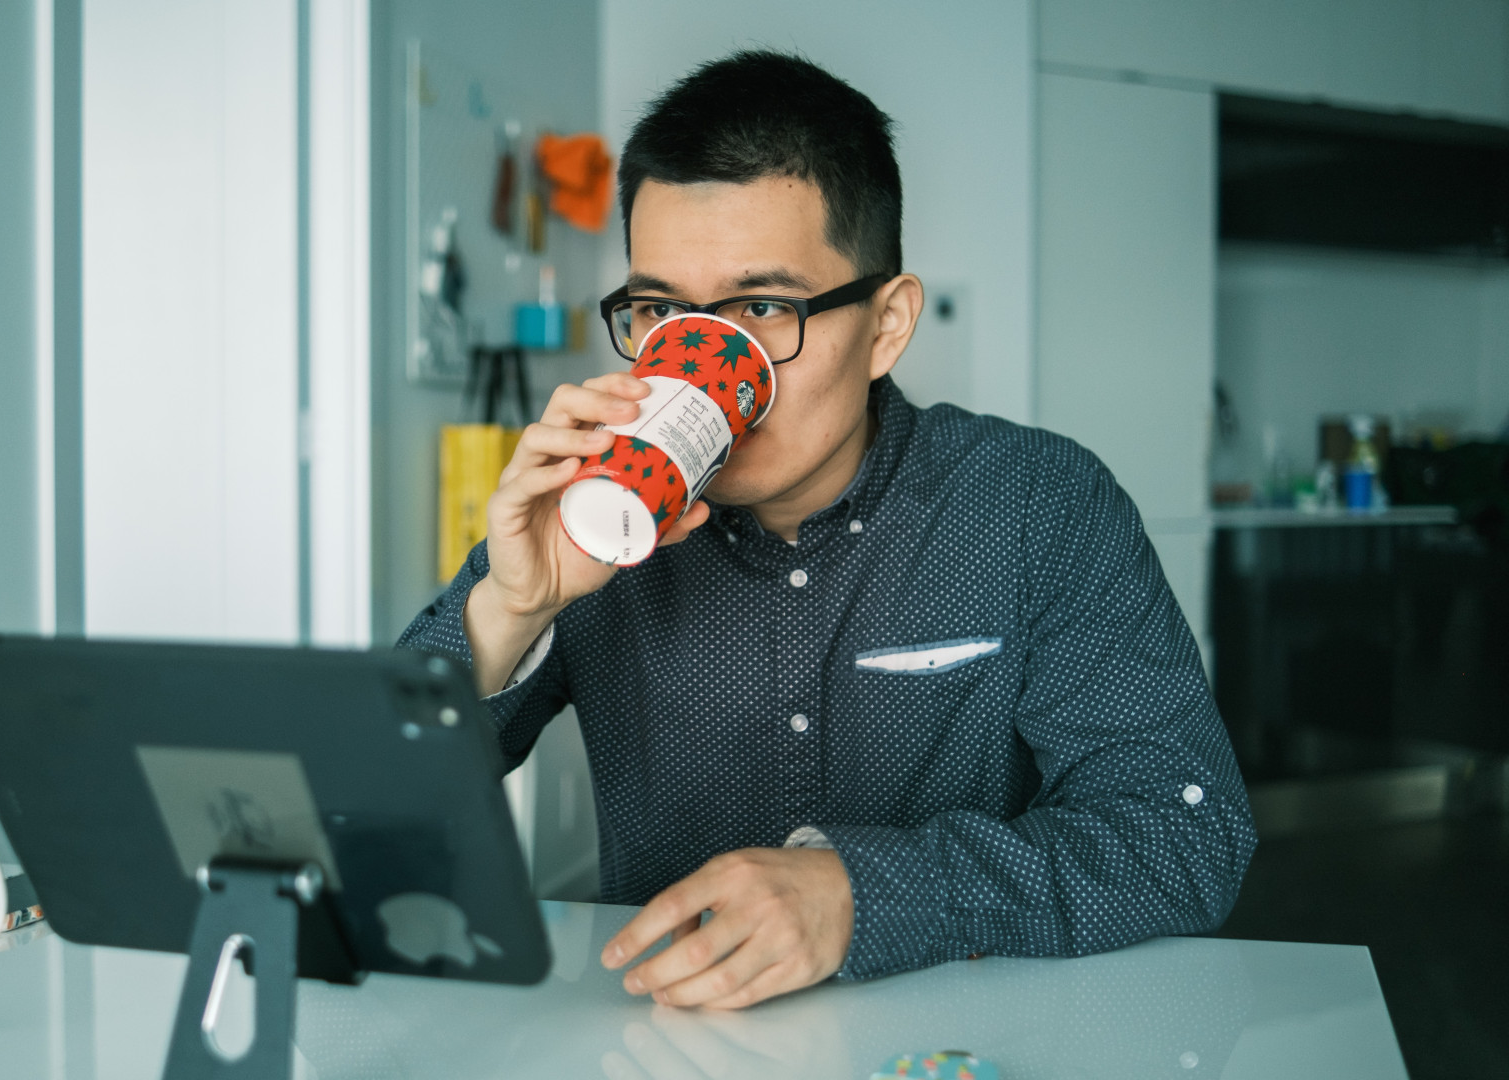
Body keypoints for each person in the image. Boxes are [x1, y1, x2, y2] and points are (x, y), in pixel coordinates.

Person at [399, 50, 1255, 1010]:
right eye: (659, 312)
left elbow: (1188, 834)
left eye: (762, 307)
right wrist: (515, 606)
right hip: (667, 1044)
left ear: (887, 325)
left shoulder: (1035, 503)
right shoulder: (600, 514)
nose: (700, 368)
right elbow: (371, 810)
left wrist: (867, 894)